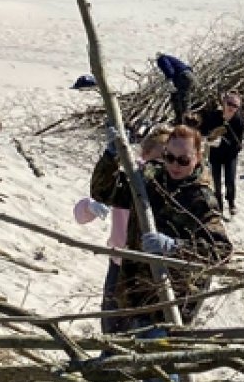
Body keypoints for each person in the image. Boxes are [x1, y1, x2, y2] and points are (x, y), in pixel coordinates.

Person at [90, 124, 232, 330]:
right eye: (170, 157)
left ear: (198, 158)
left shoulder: (201, 199)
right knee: (113, 348)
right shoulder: (150, 179)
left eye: (184, 160)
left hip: (171, 301)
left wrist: (174, 247)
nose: (175, 165)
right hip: (131, 289)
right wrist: (111, 155)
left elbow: (221, 252)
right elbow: (104, 192)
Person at [75, 124, 174, 334]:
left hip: (154, 267)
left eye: (169, 158)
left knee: (149, 325)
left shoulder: (171, 187)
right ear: (145, 155)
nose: (164, 165)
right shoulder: (132, 180)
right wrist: (91, 207)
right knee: (113, 323)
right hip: (119, 262)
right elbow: (82, 213)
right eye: (160, 158)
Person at [197, 92, 244, 217]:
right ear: (224, 103)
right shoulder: (214, 116)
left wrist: (228, 142)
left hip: (230, 155)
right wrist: (211, 136)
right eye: (229, 103)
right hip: (215, 154)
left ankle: (231, 203)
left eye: (235, 106)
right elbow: (203, 130)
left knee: (230, 181)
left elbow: (238, 143)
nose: (231, 107)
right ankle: (218, 204)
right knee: (216, 182)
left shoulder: (238, 121)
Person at [155, 53, 195, 123]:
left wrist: (170, 79)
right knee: (185, 97)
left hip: (182, 76)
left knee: (179, 97)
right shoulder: (171, 58)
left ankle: (183, 118)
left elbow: (169, 70)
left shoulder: (162, 59)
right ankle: (185, 116)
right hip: (189, 75)